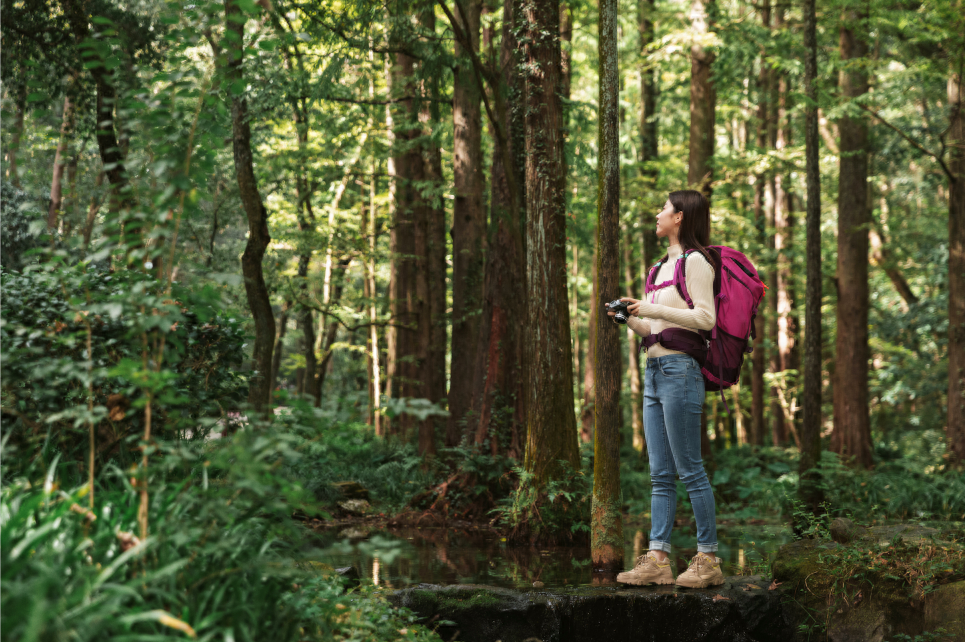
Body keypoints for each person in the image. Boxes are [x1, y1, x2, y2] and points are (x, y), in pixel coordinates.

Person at [608, 190, 724, 589]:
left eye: (664, 209)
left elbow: (705, 319)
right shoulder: (658, 268)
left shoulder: (697, 262)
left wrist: (651, 308)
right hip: (654, 371)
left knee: (690, 470)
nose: (658, 214)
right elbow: (653, 330)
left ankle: (707, 558)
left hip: (681, 372)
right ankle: (658, 559)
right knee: (660, 474)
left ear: (680, 218)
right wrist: (628, 319)